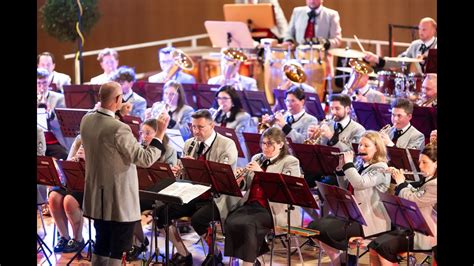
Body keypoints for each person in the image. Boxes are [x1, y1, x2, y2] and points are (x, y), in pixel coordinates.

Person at [80, 81, 169, 265]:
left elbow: (107, 140)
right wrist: (159, 134)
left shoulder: (86, 119)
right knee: (119, 247)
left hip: (97, 196)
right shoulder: (119, 128)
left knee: (102, 243)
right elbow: (144, 159)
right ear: (118, 99)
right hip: (118, 199)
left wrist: (120, 114)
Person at [155, 109, 239, 266]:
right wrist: (180, 171)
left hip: (217, 197)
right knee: (162, 213)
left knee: (199, 220)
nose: (196, 131)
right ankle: (183, 253)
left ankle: (215, 253)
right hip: (194, 194)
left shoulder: (227, 144)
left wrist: (195, 166)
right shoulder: (189, 143)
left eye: (200, 127)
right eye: (193, 127)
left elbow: (221, 175)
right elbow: (184, 178)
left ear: (212, 125)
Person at [308, 131, 391, 265]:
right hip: (352, 215)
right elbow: (347, 187)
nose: (361, 148)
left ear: (377, 149)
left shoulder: (382, 169)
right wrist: (342, 170)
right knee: (314, 227)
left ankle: (340, 262)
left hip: (369, 222)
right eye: (360, 145)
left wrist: (348, 165)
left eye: (366, 146)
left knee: (325, 230)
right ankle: (340, 261)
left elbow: (360, 183)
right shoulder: (360, 165)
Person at [224, 127, 302, 265]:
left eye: (270, 144)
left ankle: (247, 263)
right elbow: (247, 185)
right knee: (231, 220)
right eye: (263, 143)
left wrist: (261, 172)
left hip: (273, 209)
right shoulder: (257, 158)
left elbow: (284, 191)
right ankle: (253, 259)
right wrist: (239, 181)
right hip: (251, 204)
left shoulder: (290, 162)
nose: (265, 147)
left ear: (280, 144)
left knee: (248, 224)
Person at [368, 143, 437, 265]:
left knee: (384, 248)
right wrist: (398, 177)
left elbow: (414, 200)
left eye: (424, 162)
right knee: (373, 245)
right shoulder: (428, 179)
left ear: (436, 163)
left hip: (425, 235)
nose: (420, 166)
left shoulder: (435, 184)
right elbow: (416, 189)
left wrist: (401, 183)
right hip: (411, 228)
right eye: (419, 162)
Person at [126, 118, 178, 261]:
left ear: (158, 134)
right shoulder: (139, 149)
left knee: (132, 205)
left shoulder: (169, 151)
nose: (144, 136)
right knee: (127, 204)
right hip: (140, 191)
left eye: (148, 133)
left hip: (160, 194)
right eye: (142, 132)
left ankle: (139, 243)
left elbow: (171, 179)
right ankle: (140, 241)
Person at [48, 135, 86, 253]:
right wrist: (75, 159)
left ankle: (78, 239)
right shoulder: (80, 139)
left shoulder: (103, 141)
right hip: (73, 179)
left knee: (69, 201)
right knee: (54, 197)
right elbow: (67, 164)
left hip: (91, 183)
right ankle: (64, 236)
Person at [364, 17, 437, 73]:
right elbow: (399, 61)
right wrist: (375, 58)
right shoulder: (415, 45)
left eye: (424, 29)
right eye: (419, 29)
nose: (420, 32)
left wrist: (425, 57)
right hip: (421, 85)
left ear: (433, 30)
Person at [210, 85, 256, 166]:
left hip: (236, 158)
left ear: (233, 100)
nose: (221, 101)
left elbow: (237, 139)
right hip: (218, 155)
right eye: (219, 98)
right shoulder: (216, 114)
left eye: (225, 98)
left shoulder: (243, 116)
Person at [37, 67, 69, 159]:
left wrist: (50, 113)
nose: (41, 87)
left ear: (48, 82)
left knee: (64, 156)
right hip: (37, 139)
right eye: (38, 83)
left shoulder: (59, 98)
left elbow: (63, 123)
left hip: (53, 140)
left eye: (44, 83)